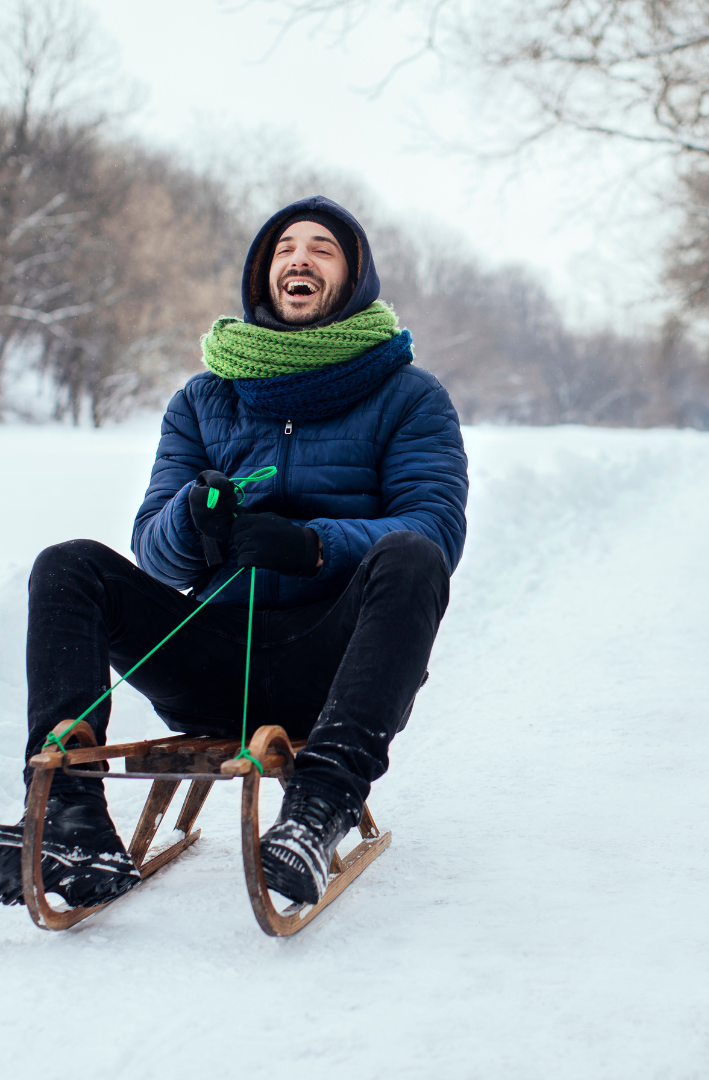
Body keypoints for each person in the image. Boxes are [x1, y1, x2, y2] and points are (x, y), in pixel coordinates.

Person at [0, 196, 468, 909]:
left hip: (333, 664)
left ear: (353, 278)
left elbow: (436, 527)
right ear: (262, 276)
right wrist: (192, 524)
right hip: (213, 659)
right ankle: (71, 820)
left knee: (412, 556)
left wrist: (313, 547)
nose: (299, 259)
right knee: (69, 565)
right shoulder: (204, 399)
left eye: (322, 248)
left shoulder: (407, 396)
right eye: (283, 249)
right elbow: (155, 555)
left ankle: (318, 809)